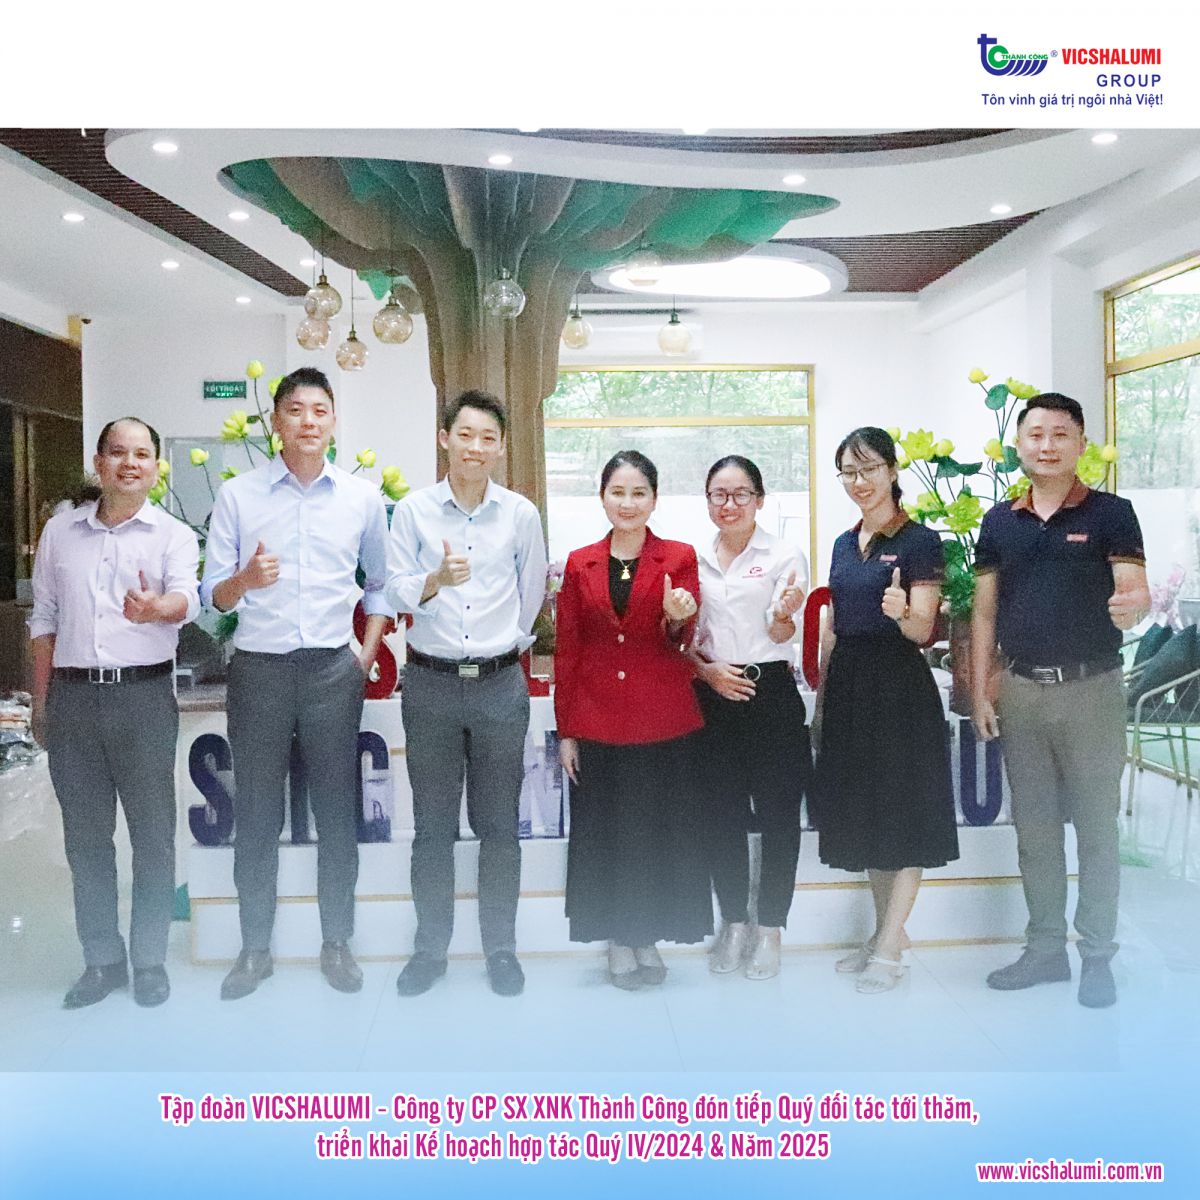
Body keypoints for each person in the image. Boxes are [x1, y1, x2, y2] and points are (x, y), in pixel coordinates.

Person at [201, 367, 391, 1000]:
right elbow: (212, 596)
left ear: (333, 421)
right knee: (256, 815)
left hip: (333, 672)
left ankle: (337, 942)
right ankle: (254, 949)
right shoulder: (239, 497)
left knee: (337, 813)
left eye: (320, 410)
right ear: (275, 421)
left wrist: (364, 655)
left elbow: (380, 584)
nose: (308, 421)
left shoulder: (362, 499)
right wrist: (244, 581)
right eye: (295, 410)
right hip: (259, 671)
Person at [971, 393, 1149, 1009]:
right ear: (1019, 445)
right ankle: (1046, 949)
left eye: (1060, 434)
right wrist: (981, 688)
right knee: (1036, 832)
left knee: (1097, 829)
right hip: (1021, 692)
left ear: (1080, 444)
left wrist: (1133, 605)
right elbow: (984, 612)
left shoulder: (1112, 514)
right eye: (1036, 434)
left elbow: (1133, 589)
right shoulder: (999, 523)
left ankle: (1097, 954)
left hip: (1092, 691)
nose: (1047, 445)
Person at [29, 417, 199, 1008]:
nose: (130, 463)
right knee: (86, 840)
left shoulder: (173, 535)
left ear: (156, 467)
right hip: (73, 698)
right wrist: (41, 701)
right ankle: (101, 960)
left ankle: (148, 960)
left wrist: (156, 608)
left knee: (153, 836)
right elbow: (43, 619)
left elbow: (187, 599)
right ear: (99, 463)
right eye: (119, 453)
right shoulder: (60, 533)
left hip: (143, 698)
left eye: (142, 454)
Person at [386, 390, 547, 998]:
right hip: (429, 684)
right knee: (432, 828)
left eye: (488, 438)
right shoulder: (413, 512)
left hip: (500, 685)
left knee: (499, 825)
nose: (476, 447)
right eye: (466, 435)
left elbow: (531, 591)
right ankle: (429, 951)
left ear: (501, 448)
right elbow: (395, 590)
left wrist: (502, 646)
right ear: (444, 439)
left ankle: (500, 949)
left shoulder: (520, 514)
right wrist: (435, 581)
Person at [555, 450, 712, 989]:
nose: (628, 503)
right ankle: (618, 941)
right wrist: (567, 731)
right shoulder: (580, 562)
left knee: (655, 835)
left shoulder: (678, 557)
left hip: (663, 722)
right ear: (602, 497)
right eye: (617, 492)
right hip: (598, 722)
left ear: (654, 499)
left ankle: (646, 936)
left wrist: (678, 619)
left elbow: (682, 642)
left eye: (638, 493)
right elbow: (569, 649)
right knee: (607, 837)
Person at [814, 426, 958, 993]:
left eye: (869, 468)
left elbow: (922, 630)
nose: (860, 482)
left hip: (898, 686)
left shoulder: (921, 541)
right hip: (850, 684)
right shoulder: (843, 544)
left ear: (893, 471)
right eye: (849, 472)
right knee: (869, 817)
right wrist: (823, 695)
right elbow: (833, 627)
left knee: (904, 815)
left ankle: (891, 944)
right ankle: (884, 934)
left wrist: (901, 611)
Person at [689, 455, 811, 980]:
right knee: (722, 815)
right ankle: (735, 922)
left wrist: (783, 614)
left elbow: (783, 631)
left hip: (770, 693)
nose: (730, 504)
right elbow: (684, 640)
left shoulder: (783, 554)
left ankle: (771, 928)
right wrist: (707, 672)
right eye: (719, 494)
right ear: (707, 500)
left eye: (741, 494)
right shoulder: (692, 560)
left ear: (759, 500)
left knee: (780, 816)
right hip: (713, 694)